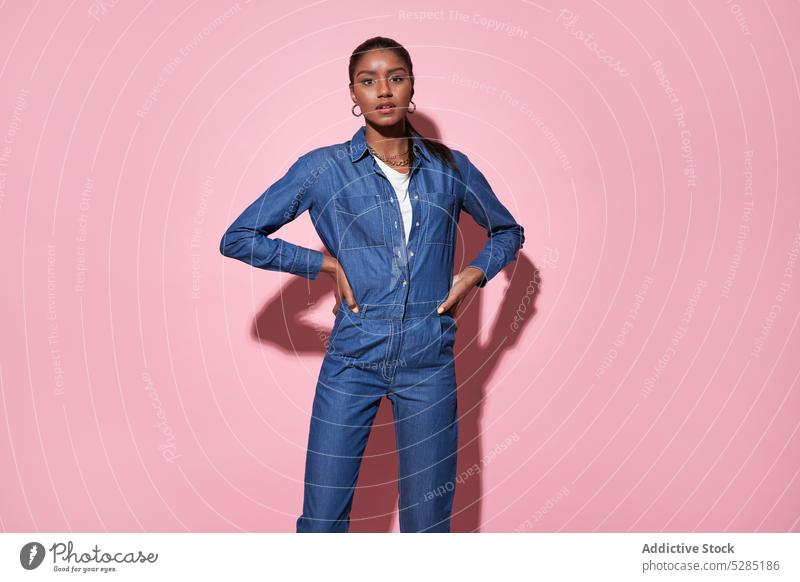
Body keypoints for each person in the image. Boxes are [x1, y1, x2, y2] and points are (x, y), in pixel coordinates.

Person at [220, 36, 525, 532]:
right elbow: (239, 237)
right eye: (368, 81)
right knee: (321, 524)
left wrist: (473, 274)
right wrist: (324, 267)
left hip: (429, 362)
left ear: (411, 88)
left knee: (428, 527)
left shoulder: (451, 168)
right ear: (353, 95)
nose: (383, 90)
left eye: (396, 77)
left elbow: (507, 231)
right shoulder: (323, 169)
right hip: (352, 357)